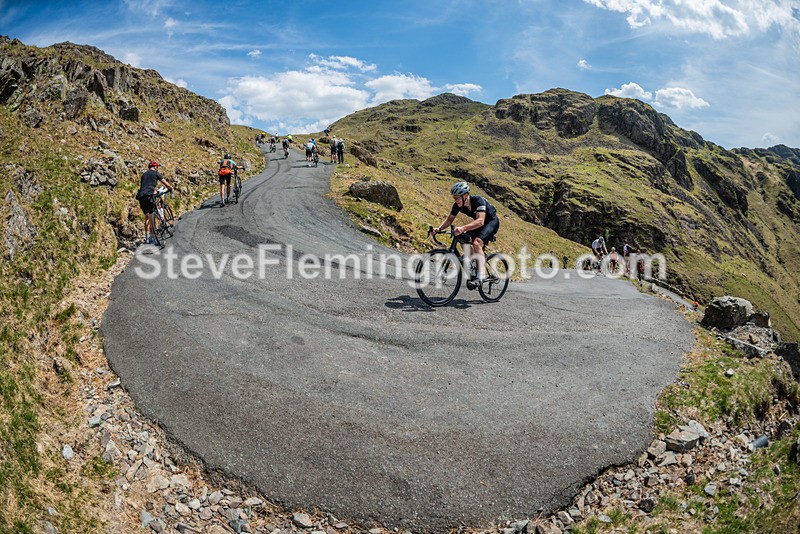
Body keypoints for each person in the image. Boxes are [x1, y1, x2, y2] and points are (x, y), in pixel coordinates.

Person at [432, 181, 499, 290]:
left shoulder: (478, 201)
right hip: (478, 224)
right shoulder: (457, 205)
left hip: (491, 222)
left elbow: (481, 221)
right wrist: (439, 228)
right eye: (454, 198)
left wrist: (463, 228)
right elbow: (449, 220)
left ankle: (480, 276)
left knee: (477, 243)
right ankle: (474, 266)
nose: (455, 200)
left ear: (466, 196)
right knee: (464, 241)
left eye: (457, 198)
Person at [136, 161, 173, 244]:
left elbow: (144, 185)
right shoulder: (156, 173)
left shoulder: (144, 174)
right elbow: (165, 183)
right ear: (155, 167)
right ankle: (153, 237)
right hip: (149, 195)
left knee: (147, 217)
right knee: (152, 216)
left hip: (141, 196)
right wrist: (170, 188)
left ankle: (147, 238)